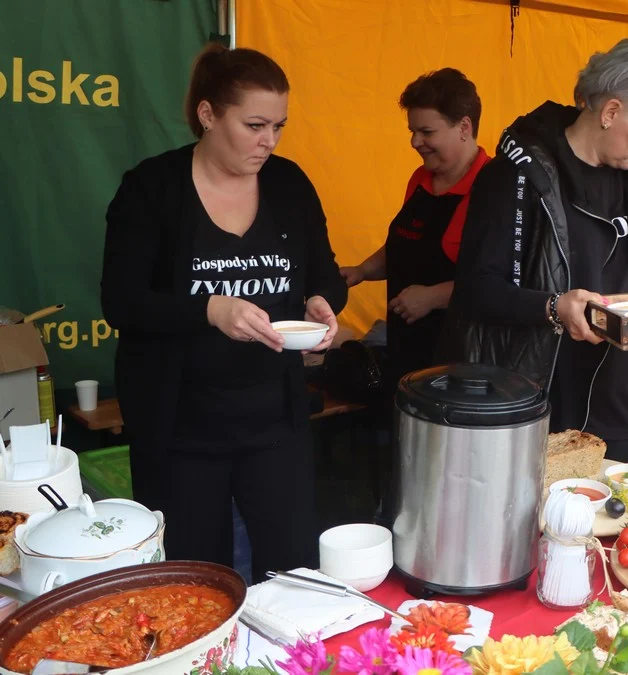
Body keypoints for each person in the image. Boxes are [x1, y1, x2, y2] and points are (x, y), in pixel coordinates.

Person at [100, 44, 345, 580]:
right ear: (208, 114)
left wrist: (323, 303)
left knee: (294, 568)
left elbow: (324, 274)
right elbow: (122, 301)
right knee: (196, 580)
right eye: (255, 124)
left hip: (274, 420)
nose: (269, 141)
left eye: (279, 126)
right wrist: (208, 309)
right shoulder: (151, 189)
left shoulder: (289, 184)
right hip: (179, 425)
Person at [445, 39, 628, 462]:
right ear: (611, 111)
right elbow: (474, 290)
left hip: (623, 401)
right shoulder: (518, 176)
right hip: (545, 398)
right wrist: (554, 306)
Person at [340, 69, 488, 383]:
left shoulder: (492, 189)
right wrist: (363, 271)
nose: (414, 142)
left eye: (426, 132)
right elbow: (406, 244)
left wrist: (433, 296)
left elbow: (501, 285)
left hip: (460, 364)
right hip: (406, 352)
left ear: (463, 127)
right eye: (412, 131)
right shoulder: (421, 179)